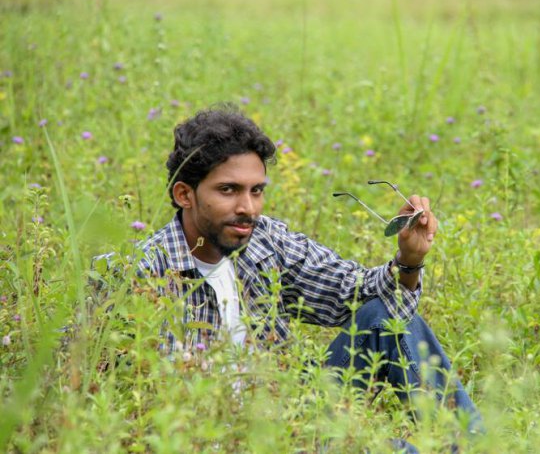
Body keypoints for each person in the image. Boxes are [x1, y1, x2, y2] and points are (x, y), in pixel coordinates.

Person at [95, 104, 482, 437]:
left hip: (295, 414)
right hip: (216, 435)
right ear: (185, 195)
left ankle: (470, 442)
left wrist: (409, 260)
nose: (248, 207)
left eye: (257, 190)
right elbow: (98, 385)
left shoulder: (263, 240)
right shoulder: (138, 274)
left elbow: (356, 293)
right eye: (228, 190)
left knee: (385, 315)